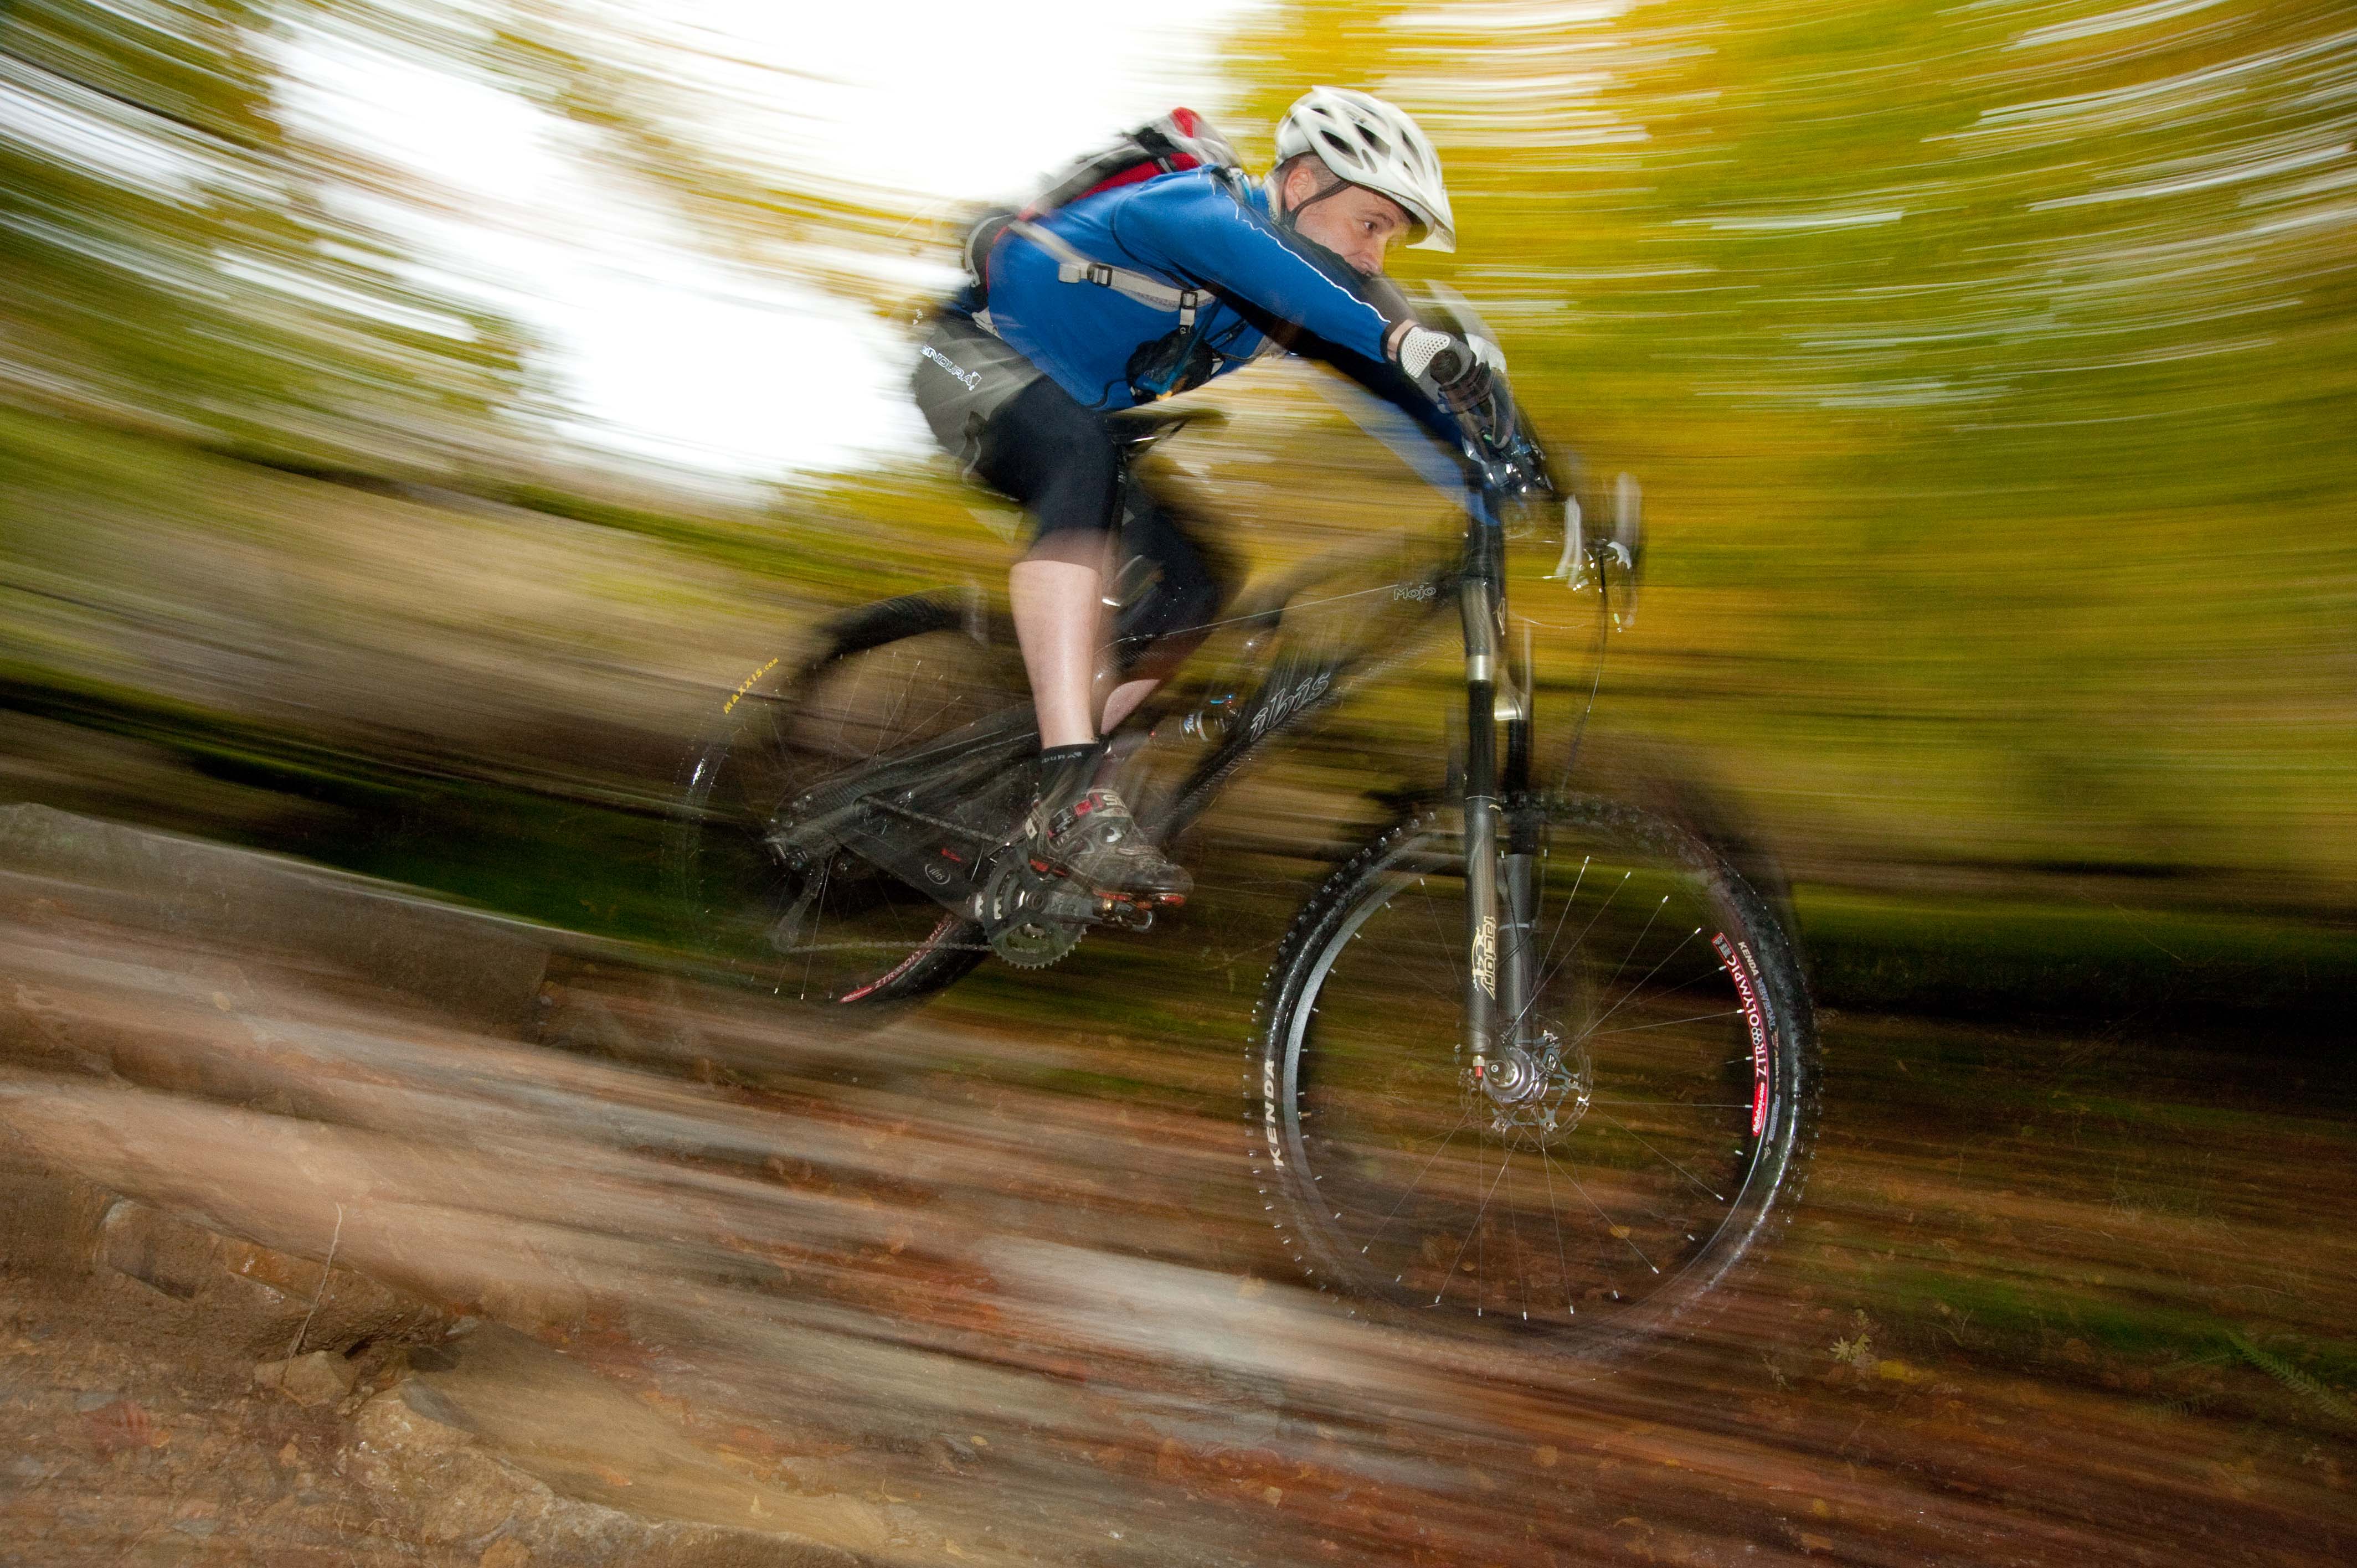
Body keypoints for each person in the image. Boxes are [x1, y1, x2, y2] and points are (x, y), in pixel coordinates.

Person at [910, 86, 1501, 901]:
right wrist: (1398, 334)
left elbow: (1407, 391)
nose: (1376, 258)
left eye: (1390, 241)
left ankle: (1072, 766)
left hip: (1073, 410)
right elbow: (1300, 285)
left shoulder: (1291, 301)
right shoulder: (1193, 207)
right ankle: (1068, 790)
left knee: (1201, 578)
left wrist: (1517, 477)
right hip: (970, 361)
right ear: (1299, 186)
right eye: (1371, 225)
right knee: (1078, 456)